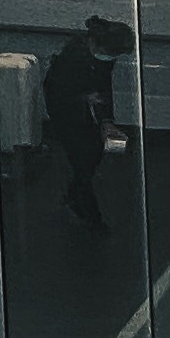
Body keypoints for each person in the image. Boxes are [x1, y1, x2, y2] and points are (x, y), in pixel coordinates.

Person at [44, 16, 133, 238]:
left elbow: (102, 87)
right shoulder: (73, 57)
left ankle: (76, 199)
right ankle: (91, 216)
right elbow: (58, 91)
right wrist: (86, 99)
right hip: (64, 109)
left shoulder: (98, 54)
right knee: (82, 160)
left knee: (89, 156)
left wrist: (106, 121)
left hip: (78, 105)